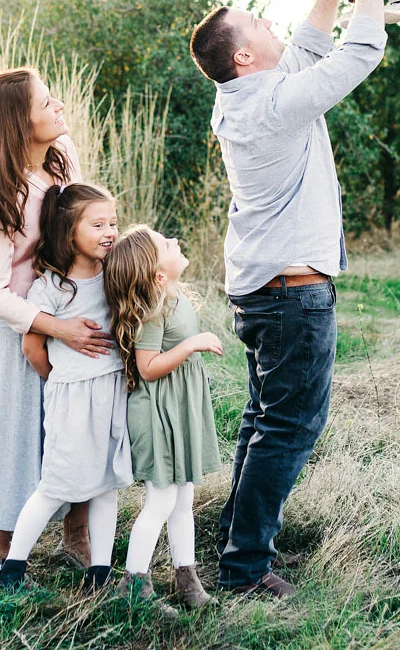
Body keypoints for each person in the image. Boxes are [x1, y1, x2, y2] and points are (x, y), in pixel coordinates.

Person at [187, 0, 400, 598]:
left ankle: (237, 547)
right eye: (257, 23)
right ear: (244, 56)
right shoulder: (273, 104)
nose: (269, 22)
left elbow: (310, 44)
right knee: (288, 427)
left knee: (264, 421)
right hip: (290, 296)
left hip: (268, 290)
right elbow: (359, 51)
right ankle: (246, 569)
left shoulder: (247, 95)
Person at [0, 68, 114, 567]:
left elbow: (79, 220)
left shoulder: (61, 156)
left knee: (77, 420)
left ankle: (77, 535)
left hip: (72, 305)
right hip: (23, 325)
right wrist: (51, 329)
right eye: (47, 103)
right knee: (18, 429)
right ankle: (0, 545)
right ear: (19, 124)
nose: (60, 107)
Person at [0, 182, 132, 592]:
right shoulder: (51, 287)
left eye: (113, 223)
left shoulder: (114, 276)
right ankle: (12, 568)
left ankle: (99, 573)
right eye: (97, 225)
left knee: (107, 484)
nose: (109, 232)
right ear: (70, 232)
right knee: (56, 484)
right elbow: (32, 346)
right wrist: (61, 378)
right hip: (71, 398)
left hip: (111, 395)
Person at [105, 225, 223, 611]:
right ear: (157, 275)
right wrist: (191, 345)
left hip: (178, 409)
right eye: (168, 245)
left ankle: (187, 579)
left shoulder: (175, 297)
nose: (176, 242)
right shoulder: (154, 310)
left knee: (183, 498)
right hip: (158, 415)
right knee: (161, 501)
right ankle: (133, 586)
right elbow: (148, 367)